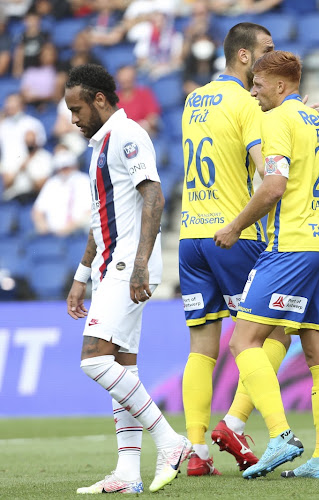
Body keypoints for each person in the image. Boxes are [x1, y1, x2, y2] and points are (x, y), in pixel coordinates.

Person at [214, 50, 319, 480]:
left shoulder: (277, 120)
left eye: (258, 85)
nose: (253, 93)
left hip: (291, 246)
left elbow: (273, 187)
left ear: (281, 86)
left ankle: (279, 435)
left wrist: (234, 227)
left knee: (242, 341)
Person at [64, 63, 191, 494]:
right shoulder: (100, 145)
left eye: (78, 109)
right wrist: (82, 275)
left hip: (126, 265)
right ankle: (128, 472)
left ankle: (170, 441)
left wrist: (139, 263)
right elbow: (101, 219)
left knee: (93, 360)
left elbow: (153, 195)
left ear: (100, 100)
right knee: (121, 366)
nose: (74, 119)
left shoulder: (129, 135)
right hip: (108, 266)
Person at [179, 22, 293, 477]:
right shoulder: (246, 103)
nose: (272, 56)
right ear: (244, 57)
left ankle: (196, 451)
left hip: (190, 237)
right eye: (265, 51)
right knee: (278, 331)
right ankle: (235, 423)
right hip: (234, 235)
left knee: (201, 349)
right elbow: (270, 174)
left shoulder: (194, 99)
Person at [31, 148, 90, 236]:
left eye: (67, 167)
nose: (64, 170)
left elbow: (90, 211)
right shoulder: (52, 183)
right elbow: (37, 211)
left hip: (78, 232)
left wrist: (70, 227)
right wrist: (43, 226)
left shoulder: (84, 180)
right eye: (61, 167)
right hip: (53, 234)